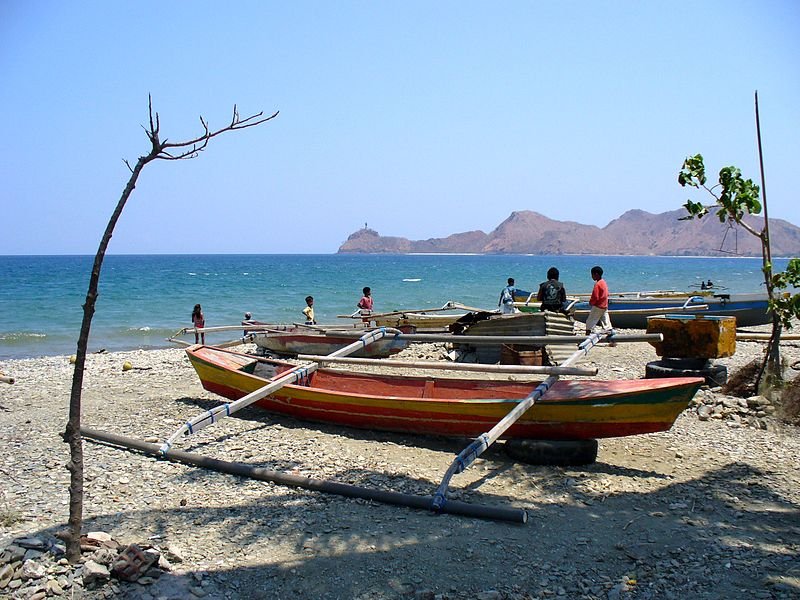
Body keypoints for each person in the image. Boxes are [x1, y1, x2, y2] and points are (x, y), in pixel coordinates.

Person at [585, 266, 613, 339]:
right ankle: (612, 340)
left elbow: (595, 297)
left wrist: (591, 303)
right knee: (607, 324)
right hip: (604, 305)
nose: (592, 276)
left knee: (589, 322)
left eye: (592, 275)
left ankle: (585, 339)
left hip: (598, 306)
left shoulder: (597, 284)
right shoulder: (603, 282)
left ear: (596, 274)